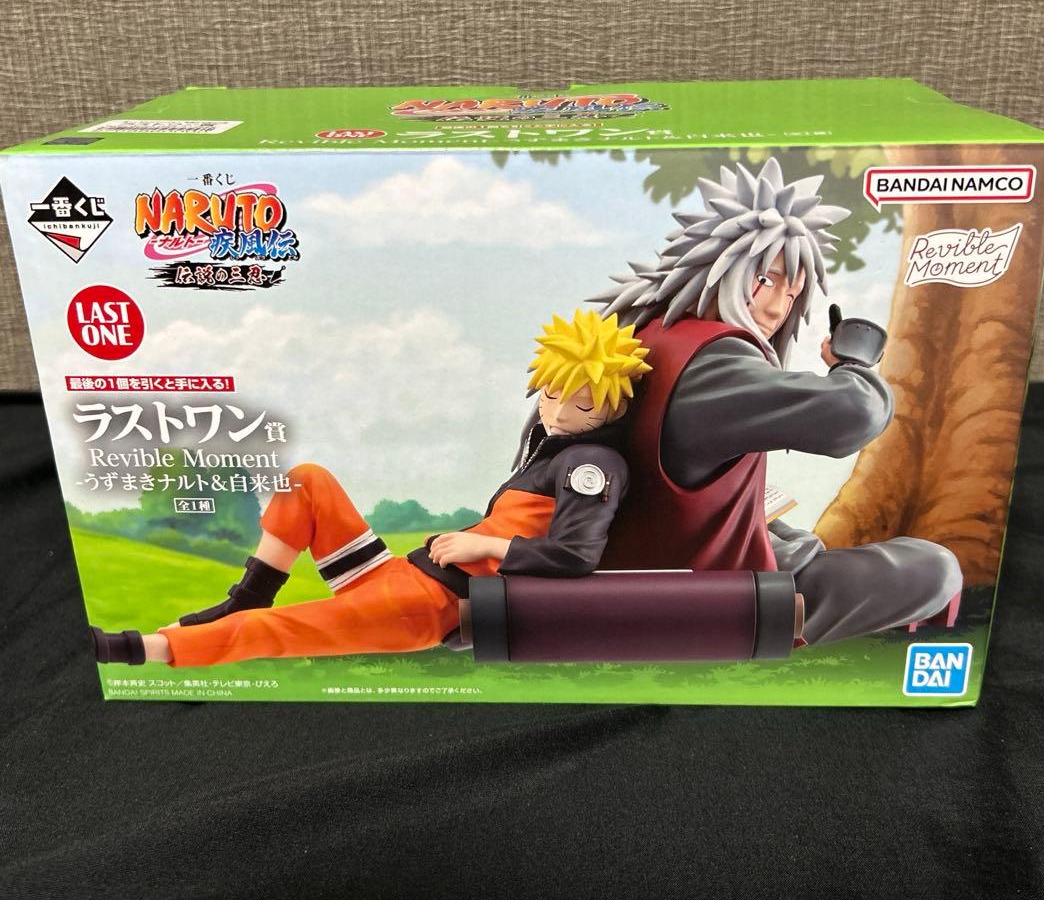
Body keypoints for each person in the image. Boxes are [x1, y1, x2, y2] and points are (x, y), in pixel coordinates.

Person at [91, 309, 651, 666]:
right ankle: (247, 595)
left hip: (427, 606)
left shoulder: (591, 464)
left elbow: (576, 556)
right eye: (551, 394)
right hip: (399, 576)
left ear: (616, 407)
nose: (559, 413)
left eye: (583, 404)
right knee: (306, 480)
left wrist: (485, 545)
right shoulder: (550, 450)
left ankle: (139, 649)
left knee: (279, 630)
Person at [580, 156, 961, 646]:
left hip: (659, 555)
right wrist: (853, 363)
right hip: (714, 595)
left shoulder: (650, 333)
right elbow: (852, 414)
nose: (779, 306)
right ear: (721, 267)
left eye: (793, 291)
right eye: (767, 280)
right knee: (934, 567)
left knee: (784, 530)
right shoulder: (713, 361)